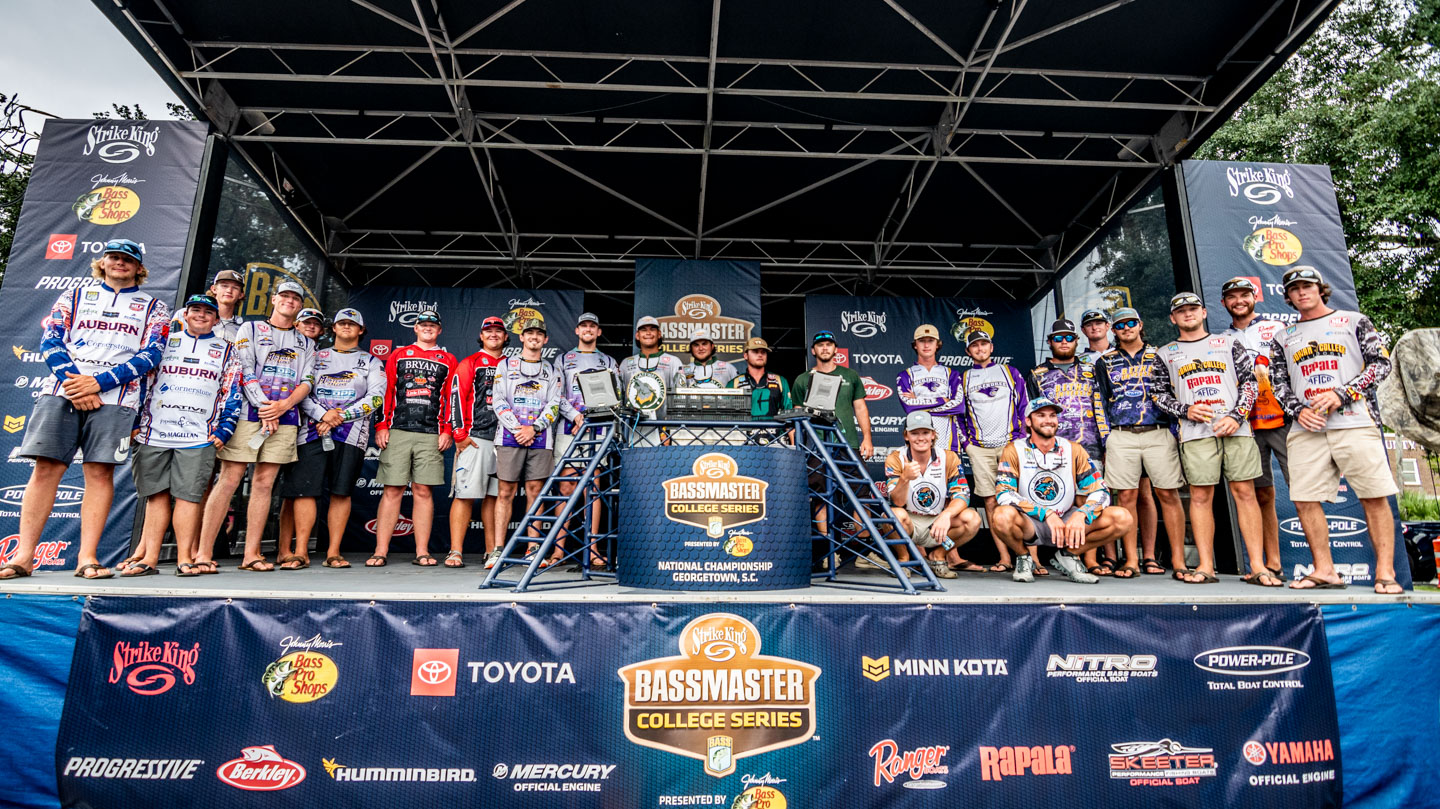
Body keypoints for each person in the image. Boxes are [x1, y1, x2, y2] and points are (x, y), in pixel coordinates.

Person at [0, 239, 169, 581]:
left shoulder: (155, 308)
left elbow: (152, 354)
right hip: (62, 393)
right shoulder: (73, 296)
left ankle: (87, 557)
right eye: (114, 257)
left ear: (139, 268)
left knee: (99, 473)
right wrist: (76, 384)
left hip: (116, 399)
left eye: (128, 259)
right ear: (102, 263)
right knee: (45, 469)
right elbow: (50, 341)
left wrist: (99, 383)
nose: (120, 263)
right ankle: (23, 556)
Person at [1268, 266, 1402, 594]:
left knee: (1373, 496)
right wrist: (1298, 411)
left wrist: (1342, 393)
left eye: (1307, 286)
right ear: (1288, 297)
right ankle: (1324, 570)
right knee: (1303, 499)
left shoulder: (1354, 321)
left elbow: (1381, 364)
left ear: (1321, 289)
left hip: (1355, 421)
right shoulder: (1283, 337)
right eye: (1295, 289)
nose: (1302, 292)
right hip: (1307, 428)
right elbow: (1277, 383)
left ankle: (1386, 573)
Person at [1153, 292, 1273, 585]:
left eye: (1193, 308)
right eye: (1181, 311)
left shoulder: (1228, 343)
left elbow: (1250, 383)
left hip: (1236, 428)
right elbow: (1158, 395)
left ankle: (1258, 566)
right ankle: (1206, 565)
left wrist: (1237, 416)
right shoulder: (1165, 353)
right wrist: (1185, 409)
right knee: (1200, 496)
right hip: (1195, 433)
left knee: (1245, 493)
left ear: (1204, 312)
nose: (1188, 313)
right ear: (1173, 318)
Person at [198, 280, 315, 572]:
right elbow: (244, 369)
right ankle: (202, 553)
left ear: (300, 305)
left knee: (264, 484)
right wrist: (266, 407)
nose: (289, 301)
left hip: (285, 418)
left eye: (295, 298)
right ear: (274, 299)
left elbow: (306, 382)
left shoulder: (307, 342)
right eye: (284, 296)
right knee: (229, 479)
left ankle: (251, 554)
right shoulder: (250, 329)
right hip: (248, 413)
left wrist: (282, 407)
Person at [124, 294, 243, 577]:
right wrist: (134, 420)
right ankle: (149, 559)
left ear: (216, 319)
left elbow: (232, 391)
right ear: (185, 315)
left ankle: (184, 558)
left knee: (188, 498)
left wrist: (224, 429)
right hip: (154, 432)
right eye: (195, 310)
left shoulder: (227, 350)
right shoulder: (163, 344)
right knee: (156, 497)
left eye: (208, 312)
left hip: (198, 435)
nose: (201, 315)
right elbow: (142, 382)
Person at [280, 308, 386, 570]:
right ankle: (300, 552)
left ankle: (333, 552)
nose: (347, 327)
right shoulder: (316, 356)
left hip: (351, 434)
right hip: (311, 431)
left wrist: (339, 416)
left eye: (352, 323)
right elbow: (301, 390)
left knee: (341, 492)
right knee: (305, 491)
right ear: (334, 328)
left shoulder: (371, 361)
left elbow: (376, 397)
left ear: (361, 330)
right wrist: (322, 415)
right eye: (342, 323)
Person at [1092, 307, 1189, 579]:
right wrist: (1107, 438)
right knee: (1126, 496)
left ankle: (1178, 561)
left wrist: (1175, 432)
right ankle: (1131, 560)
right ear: (1114, 330)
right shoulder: (1105, 361)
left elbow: (1173, 393)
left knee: (1167, 494)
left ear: (1140, 324)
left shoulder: (1160, 354)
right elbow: (1100, 401)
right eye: (1120, 325)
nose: (1126, 328)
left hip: (1158, 430)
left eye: (1131, 323)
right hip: (1122, 432)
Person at [992, 398, 1133, 583]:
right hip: (1030, 522)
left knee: (1122, 518)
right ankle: (1024, 557)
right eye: (1041, 415)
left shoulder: (1073, 449)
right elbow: (1004, 493)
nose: (1048, 420)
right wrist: (1045, 513)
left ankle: (1069, 555)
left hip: (1066, 519)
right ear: (1028, 421)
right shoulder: (1014, 449)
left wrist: (1082, 513)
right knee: (1001, 515)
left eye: (1052, 415)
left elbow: (1101, 490)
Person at [1027, 318, 1114, 574]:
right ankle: (1054, 555)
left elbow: (1104, 407)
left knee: (1089, 501)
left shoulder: (1092, 368)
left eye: (1068, 337)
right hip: (1053, 449)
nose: (1064, 342)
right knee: (1053, 497)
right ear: (1049, 342)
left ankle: (1088, 559)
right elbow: (1032, 414)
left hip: (1090, 446)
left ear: (1077, 340)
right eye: (1058, 338)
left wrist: (1107, 443)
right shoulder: (1037, 374)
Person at [372, 310, 456, 567]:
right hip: (398, 429)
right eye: (423, 324)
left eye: (433, 325)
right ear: (415, 328)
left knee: (423, 491)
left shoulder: (448, 359)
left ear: (439, 330)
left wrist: (447, 430)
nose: (428, 328)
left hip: (431, 432)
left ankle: (422, 552)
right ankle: (380, 551)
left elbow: (450, 397)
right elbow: (386, 391)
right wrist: (381, 425)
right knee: (392, 489)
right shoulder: (399, 354)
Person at [1220, 276, 1290, 578]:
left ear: (1255, 297)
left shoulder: (1277, 328)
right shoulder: (1222, 339)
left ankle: (1321, 566)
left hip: (1283, 418)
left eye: (1244, 295)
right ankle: (1271, 563)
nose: (1239, 301)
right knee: (1262, 495)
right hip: (1247, 424)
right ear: (1224, 303)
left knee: (1304, 494)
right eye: (1232, 297)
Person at [491, 318, 565, 566]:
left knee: (535, 491)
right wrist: (518, 428)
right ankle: (498, 550)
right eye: (529, 333)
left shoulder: (552, 371)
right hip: (509, 436)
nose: (534, 337)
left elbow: (554, 404)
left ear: (545, 339)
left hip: (540, 438)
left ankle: (532, 548)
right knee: (505, 491)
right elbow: (498, 400)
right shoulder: (505, 365)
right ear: (521, 337)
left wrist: (533, 428)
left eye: (539, 334)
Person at [955, 329, 1029, 573]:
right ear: (968, 351)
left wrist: (1021, 440)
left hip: (1010, 444)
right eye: (975, 346)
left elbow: (1024, 407)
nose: (980, 348)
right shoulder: (964, 378)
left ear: (992, 347)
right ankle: (1004, 557)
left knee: (1021, 498)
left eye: (984, 344)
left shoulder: (1010, 372)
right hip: (980, 448)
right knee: (990, 500)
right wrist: (967, 445)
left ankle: (1031, 558)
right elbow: (958, 415)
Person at [880, 411, 982, 580]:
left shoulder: (948, 457)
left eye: (925, 432)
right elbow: (897, 502)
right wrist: (905, 478)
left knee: (972, 518)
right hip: (910, 521)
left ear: (933, 435)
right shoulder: (896, 458)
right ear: (906, 436)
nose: (921, 438)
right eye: (914, 433)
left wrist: (946, 515)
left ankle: (938, 556)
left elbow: (962, 495)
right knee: (892, 515)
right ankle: (904, 559)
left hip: (936, 521)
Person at [552, 313, 619, 566]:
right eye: (584, 326)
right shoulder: (562, 360)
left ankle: (592, 549)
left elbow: (615, 395)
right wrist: (575, 416)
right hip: (568, 429)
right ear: (577, 331)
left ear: (598, 332)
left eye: (593, 326)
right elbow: (556, 395)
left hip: (597, 430)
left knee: (594, 488)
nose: (588, 329)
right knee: (566, 488)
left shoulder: (608, 360)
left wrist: (592, 417)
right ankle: (558, 551)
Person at [448, 316, 508, 569]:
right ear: (481, 336)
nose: (494, 334)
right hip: (476, 437)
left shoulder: (511, 364)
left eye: (498, 331)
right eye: (488, 331)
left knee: (494, 497)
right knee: (465, 495)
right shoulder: (470, 362)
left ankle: (491, 552)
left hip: (504, 439)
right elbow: (456, 396)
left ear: (506, 336)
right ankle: (455, 551)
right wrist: (459, 433)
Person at [791, 330, 873, 458]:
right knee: (814, 472)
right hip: (815, 445)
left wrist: (867, 438)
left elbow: (860, 408)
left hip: (847, 442)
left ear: (835, 350)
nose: (825, 348)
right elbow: (797, 415)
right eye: (820, 345)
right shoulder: (802, 379)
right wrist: (798, 446)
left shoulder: (850, 375)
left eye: (829, 344)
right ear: (813, 351)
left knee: (858, 472)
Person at [897, 324, 963, 453]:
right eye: (922, 341)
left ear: (937, 344)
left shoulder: (952, 374)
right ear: (915, 345)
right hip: (918, 441)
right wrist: (943, 400)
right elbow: (909, 407)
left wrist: (919, 402)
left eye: (931, 341)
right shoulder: (905, 375)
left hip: (948, 441)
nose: (926, 345)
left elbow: (959, 407)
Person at [618, 316, 683, 432]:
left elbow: (680, 401)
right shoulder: (625, 364)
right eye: (644, 330)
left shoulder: (673, 362)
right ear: (637, 335)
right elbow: (619, 401)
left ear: (659, 334)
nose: (648, 333)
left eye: (652, 329)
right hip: (631, 430)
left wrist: (670, 431)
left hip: (663, 430)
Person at [730, 337, 792, 420]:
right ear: (745, 355)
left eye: (763, 352)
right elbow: (726, 415)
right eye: (755, 351)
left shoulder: (780, 381)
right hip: (745, 428)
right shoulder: (734, 383)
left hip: (774, 428)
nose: (760, 355)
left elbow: (789, 413)